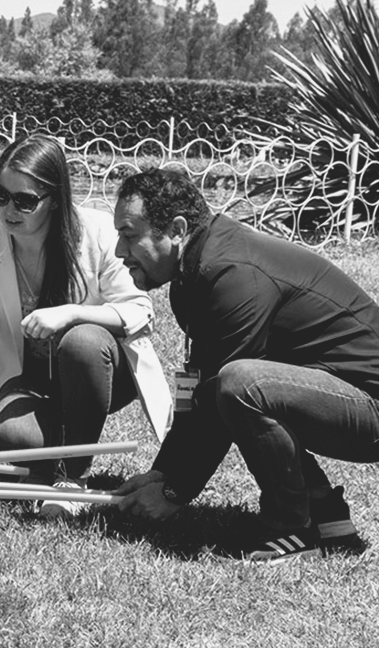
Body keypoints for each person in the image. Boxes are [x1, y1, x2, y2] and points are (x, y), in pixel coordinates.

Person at [112, 169, 378, 561]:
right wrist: (163, 475)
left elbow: (222, 398)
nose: (120, 251)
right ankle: (326, 515)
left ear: (178, 229)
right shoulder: (196, 271)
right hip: (338, 395)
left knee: (242, 386)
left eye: (130, 234)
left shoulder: (230, 272)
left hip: (370, 407)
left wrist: (174, 494)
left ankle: (292, 529)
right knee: (237, 386)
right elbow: (200, 391)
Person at [0, 135, 171, 517]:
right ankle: (51, 454)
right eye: (0, 194)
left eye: (25, 200)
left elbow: (140, 312)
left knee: (82, 341)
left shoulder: (99, 234)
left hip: (103, 369)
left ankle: (74, 478)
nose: (9, 209)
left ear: (55, 199)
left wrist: (73, 313)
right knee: (15, 440)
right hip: (31, 379)